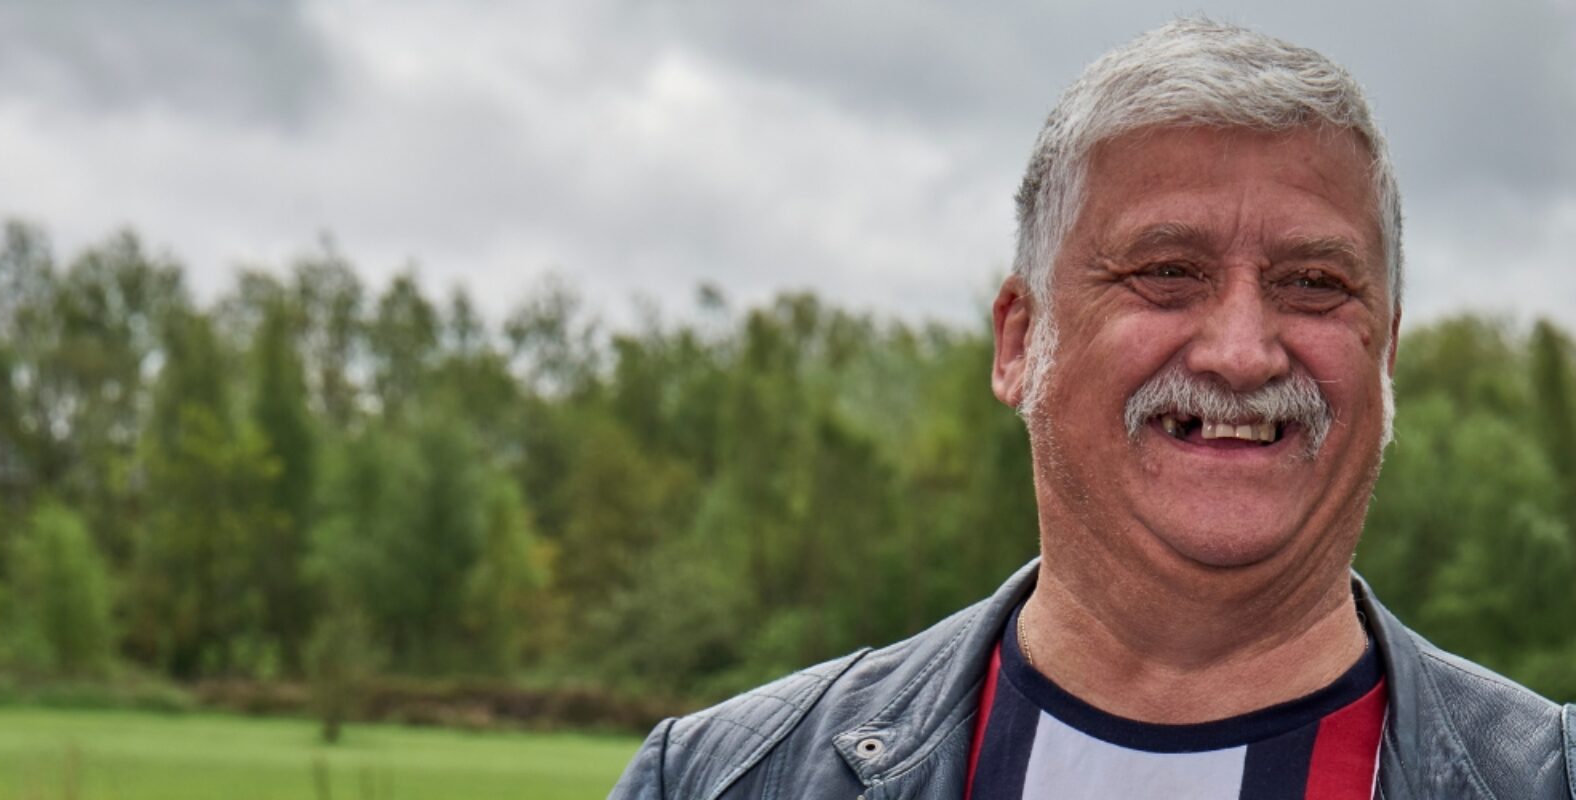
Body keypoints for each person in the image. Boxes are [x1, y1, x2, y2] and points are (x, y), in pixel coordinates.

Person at [609, 18, 1574, 800]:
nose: (1242, 352)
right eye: (1166, 273)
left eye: (1315, 283)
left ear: (1387, 351)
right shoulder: (722, 779)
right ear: (1021, 341)